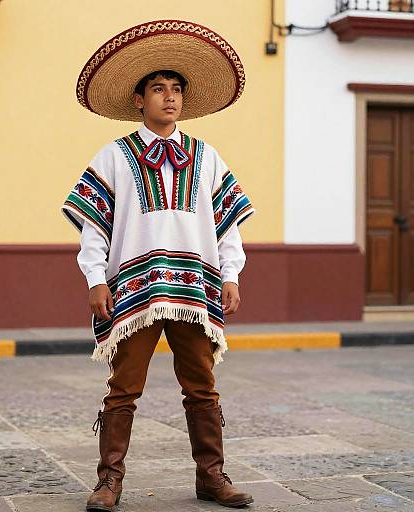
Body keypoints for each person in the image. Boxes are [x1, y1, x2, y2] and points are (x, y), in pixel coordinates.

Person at [61, 20, 256, 511]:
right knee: (123, 388)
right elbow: (94, 227)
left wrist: (231, 274)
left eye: (175, 90)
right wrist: (95, 279)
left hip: (194, 286)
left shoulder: (206, 156)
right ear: (138, 101)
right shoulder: (114, 157)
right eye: (157, 89)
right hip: (133, 291)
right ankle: (110, 480)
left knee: (202, 386)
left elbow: (226, 220)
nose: (168, 98)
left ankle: (211, 477)